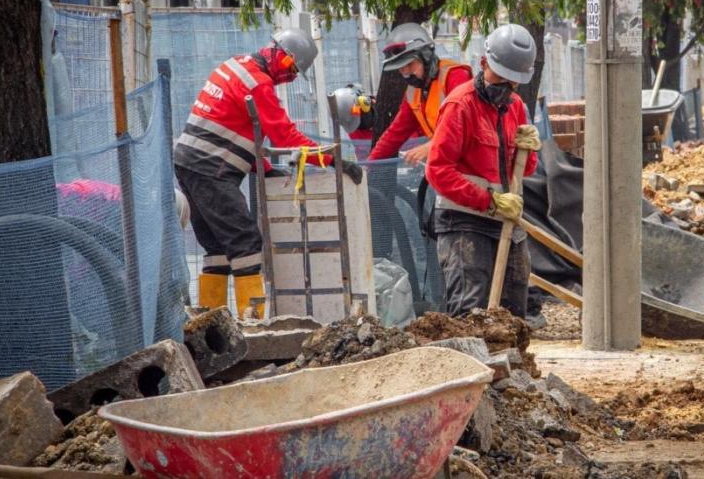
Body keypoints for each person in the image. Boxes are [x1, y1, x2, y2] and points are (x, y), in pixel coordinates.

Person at [174, 28, 360, 319]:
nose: (291, 77)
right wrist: (331, 159)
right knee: (245, 243)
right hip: (211, 169)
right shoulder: (258, 84)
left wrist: (267, 169)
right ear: (283, 57)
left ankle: (208, 326)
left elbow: (233, 127)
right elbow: (285, 136)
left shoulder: (235, 65)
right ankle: (254, 327)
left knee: (217, 247)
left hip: (189, 162)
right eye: (292, 70)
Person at [426, 24, 541, 318]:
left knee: (513, 311)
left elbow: (522, 171)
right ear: (484, 63)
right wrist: (488, 200)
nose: (505, 86)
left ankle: (511, 364)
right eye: (500, 77)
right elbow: (438, 171)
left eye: (512, 81)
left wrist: (529, 151)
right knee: (469, 311)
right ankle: (472, 365)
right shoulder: (460, 105)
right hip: (464, 222)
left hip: (506, 221)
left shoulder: (515, 107)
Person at [367, 23, 473, 164]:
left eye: (410, 64)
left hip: (473, 163)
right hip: (449, 163)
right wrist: (368, 165)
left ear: (426, 57)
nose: (405, 73)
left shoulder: (455, 76)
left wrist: (431, 146)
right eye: (401, 68)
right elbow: (395, 133)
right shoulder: (414, 91)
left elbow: (466, 125)